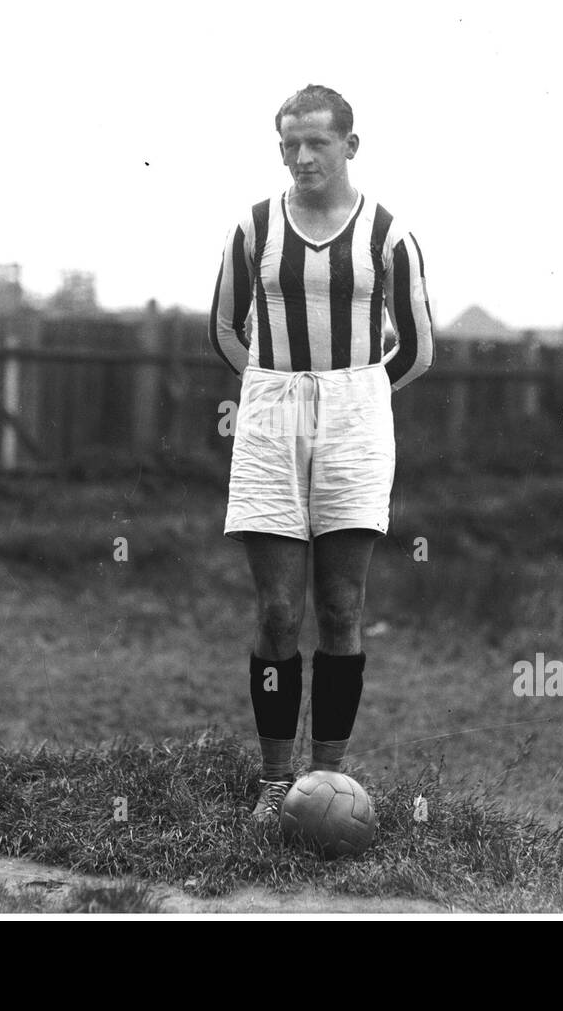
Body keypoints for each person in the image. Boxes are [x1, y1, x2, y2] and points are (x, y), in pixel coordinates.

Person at [208, 85, 435, 826]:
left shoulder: (389, 237)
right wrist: (282, 389)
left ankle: (328, 785)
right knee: (278, 611)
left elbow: (419, 349)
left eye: (318, 143)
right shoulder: (254, 229)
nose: (303, 157)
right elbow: (223, 330)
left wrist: (352, 394)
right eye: (290, 145)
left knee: (341, 606)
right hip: (272, 414)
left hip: (357, 417)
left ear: (350, 146)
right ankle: (276, 785)